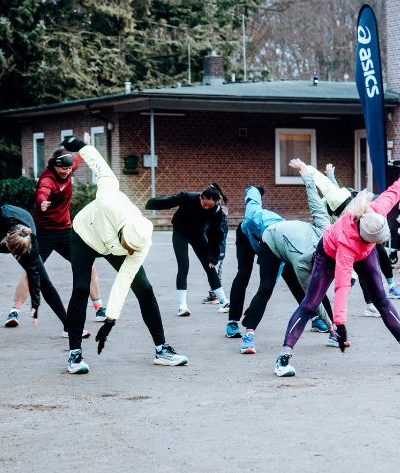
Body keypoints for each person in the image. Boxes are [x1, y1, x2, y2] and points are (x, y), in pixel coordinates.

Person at [274, 159, 400, 377]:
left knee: (382, 299)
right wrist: (340, 324)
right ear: (364, 236)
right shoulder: (347, 241)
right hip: (329, 254)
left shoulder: (377, 210)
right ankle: (283, 358)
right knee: (310, 304)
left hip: (364, 254)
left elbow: (398, 188)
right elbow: (342, 287)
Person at [60, 134, 187, 374]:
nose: (130, 252)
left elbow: (123, 282)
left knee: (145, 289)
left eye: (132, 250)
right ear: (121, 233)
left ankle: (161, 349)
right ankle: (74, 354)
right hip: (85, 234)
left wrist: (110, 320)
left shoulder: (141, 241)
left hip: (110, 245)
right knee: (81, 288)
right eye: (127, 246)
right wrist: (82, 147)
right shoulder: (109, 197)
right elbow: (101, 168)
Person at [0, 142, 84, 347]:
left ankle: (68, 326)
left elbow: (41, 284)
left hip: (21, 239)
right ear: (7, 240)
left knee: (45, 281)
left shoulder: (30, 240)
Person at [237, 161, 338, 354]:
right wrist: (307, 176)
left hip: (289, 244)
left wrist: (332, 327)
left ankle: (334, 331)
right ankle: (248, 337)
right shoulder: (303, 261)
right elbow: (311, 297)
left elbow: (316, 204)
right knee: (265, 288)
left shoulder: (327, 236)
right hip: (271, 241)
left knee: (317, 290)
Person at [8, 149, 106, 327]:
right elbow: (42, 192)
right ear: (55, 166)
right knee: (32, 270)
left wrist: (85, 145)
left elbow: (78, 158)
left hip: (65, 231)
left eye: (69, 169)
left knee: (88, 264)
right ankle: (14, 311)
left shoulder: (68, 167)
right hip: (44, 233)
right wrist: (42, 202)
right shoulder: (47, 180)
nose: (67, 172)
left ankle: (99, 308)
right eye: (63, 169)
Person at [311, 162, 400, 306]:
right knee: (356, 271)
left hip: (360, 228)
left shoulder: (351, 203)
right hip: (342, 236)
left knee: (379, 253)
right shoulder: (329, 207)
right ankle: (362, 302)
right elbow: (330, 194)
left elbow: (337, 189)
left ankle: (390, 287)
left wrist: (330, 175)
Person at [145, 184, 229, 316]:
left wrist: (213, 256)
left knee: (210, 266)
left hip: (198, 235)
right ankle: (182, 306)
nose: (206, 208)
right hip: (180, 233)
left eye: (210, 206)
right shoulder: (187, 197)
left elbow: (215, 234)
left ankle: (224, 302)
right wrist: (149, 204)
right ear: (201, 197)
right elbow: (169, 201)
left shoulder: (216, 211)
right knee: (183, 266)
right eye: (205, 204)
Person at [224, 184, 295, 339]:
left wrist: (254, 307)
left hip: (267, 244)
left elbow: (274, 274)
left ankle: (315, 317)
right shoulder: (253, 218)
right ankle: (232, 321)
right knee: (243, 274)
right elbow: (252, 199)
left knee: (291, 277)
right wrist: (255, 190)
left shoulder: (283, 239)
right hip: (246, 237)